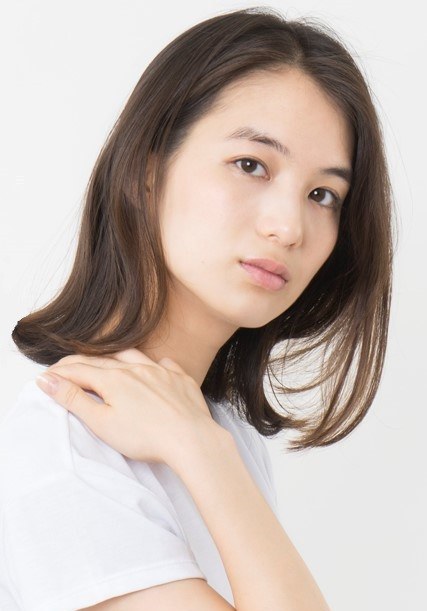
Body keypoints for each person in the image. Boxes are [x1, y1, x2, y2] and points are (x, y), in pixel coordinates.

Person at [1, 5, 394, 610]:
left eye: (323, 194)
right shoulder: (65, 451)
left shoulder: (213, 429)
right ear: (147, 171)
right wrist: (205, 454)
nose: (289, 227)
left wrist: (205, 447)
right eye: (251, 165)